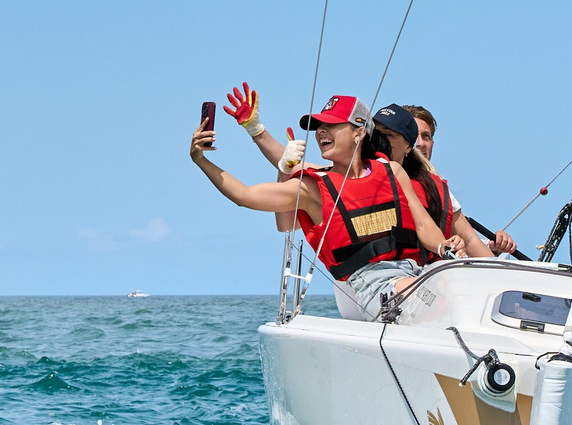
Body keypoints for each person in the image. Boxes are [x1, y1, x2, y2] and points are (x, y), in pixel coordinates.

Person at [192, 94, 449, 320]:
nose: (321, 131)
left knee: (458, 295)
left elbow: (424, 225)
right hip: (374, 287)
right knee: (434, 304)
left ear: (359, 131)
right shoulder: (312, 189)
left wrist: (445, 247)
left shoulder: (392, 171)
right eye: (318, 126)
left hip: (414, 273)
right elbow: (244, 195)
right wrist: (200, 160)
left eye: (331, 124)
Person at [370, 105, 520, 259]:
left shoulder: (436, 187)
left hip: (428, 272)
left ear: (408, 145)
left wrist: (499, 274)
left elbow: (469, 240)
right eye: (378, 134)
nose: (420, 143)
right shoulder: (358, 173)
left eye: (426, 136)